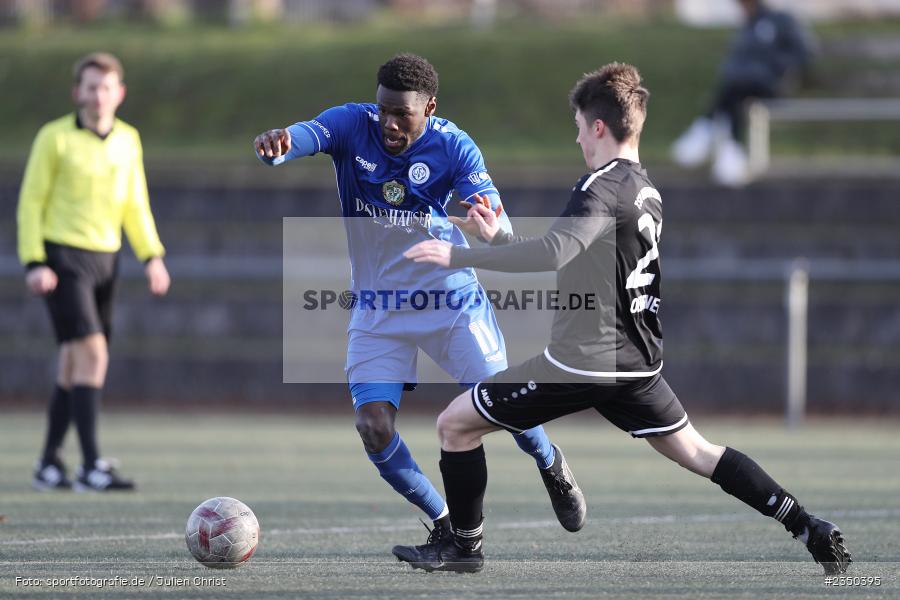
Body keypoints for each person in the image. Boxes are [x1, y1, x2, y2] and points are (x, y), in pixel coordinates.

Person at [395, 62, 851, 575]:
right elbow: (580, 263)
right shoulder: (645, 190)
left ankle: (464, 546)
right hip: (637, 366)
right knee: (700, 453)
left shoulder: (600, 185)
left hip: (582, 364)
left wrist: (458, 255)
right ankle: (808, 525)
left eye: (577, 128)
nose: (576, 141)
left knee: (455, 425)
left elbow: (554, 254)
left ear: (597, 127)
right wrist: (499, 239)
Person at [253, 53, 585, 541]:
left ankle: (550, 461)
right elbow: (303, 135)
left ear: (429, 107)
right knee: (373, 426)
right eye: (383, 109)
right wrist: (278, 145)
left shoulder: (454, 148)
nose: (388, 122)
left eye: (401, 114)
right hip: (377, 309)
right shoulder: (351, 123)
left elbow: (499, 224)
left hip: (448, 304)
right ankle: (445, 522)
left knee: (505, 404)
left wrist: (491, 232)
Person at [18, 52, 170, 492]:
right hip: (63, 257)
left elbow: (135, 203)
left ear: (118, 93)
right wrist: (34, 261)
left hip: (107, 259)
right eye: (90, 87)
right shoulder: (54, 138)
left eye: (106, 87)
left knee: (72, 363)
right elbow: (31, 202)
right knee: (94, 353)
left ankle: (48, 464)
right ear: (77, 92)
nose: (98, 96)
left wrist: (151, 255)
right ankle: (90, 466)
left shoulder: (128, 139)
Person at [671, 0, 815, 185]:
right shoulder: (748, 26)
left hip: (771, 85)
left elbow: (802, 53)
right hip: (744, 88)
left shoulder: (781, 21)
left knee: (731, 93)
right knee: (734, 95)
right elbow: (736, 64)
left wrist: (775, 68)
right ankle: (728, 149)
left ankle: (709, 133)